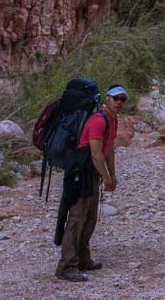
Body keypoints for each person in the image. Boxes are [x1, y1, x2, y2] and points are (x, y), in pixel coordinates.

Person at [55, 84, 128, 283]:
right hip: (81, 174)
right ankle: (66, 266)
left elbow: (109, 150)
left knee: (90, 219)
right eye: (116, 98)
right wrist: (106, 177)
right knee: (77, 219)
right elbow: (95, 154)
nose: (119, 102)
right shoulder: (98, 120)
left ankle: (83, 259)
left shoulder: (112, 120)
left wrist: (112, 175)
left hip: (92, 174)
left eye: (123, 99)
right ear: (107, 98)